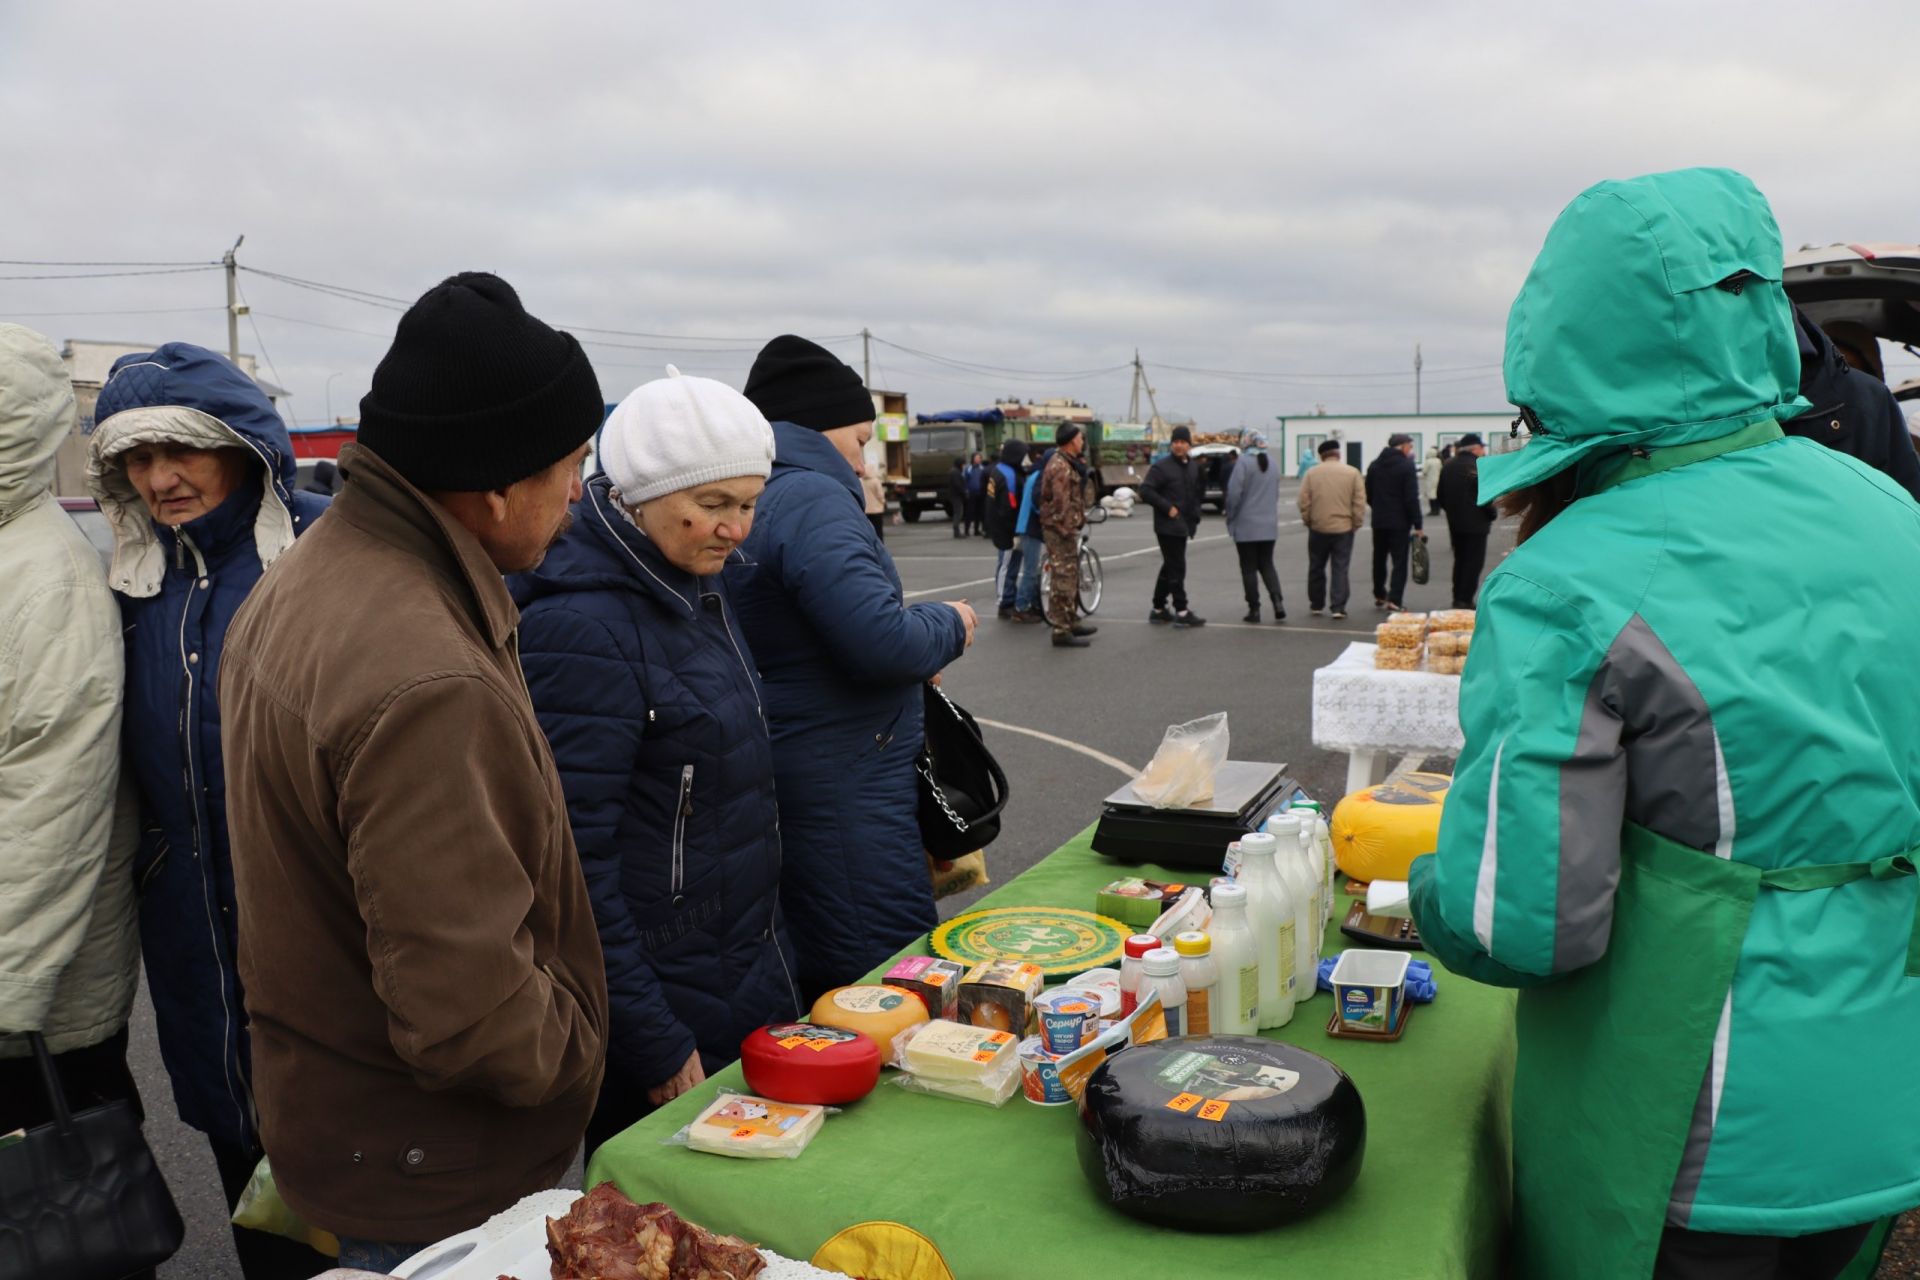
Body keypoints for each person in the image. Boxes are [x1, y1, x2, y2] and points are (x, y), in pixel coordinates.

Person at [1408, 167, 1920, 1280]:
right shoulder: (1891, 510)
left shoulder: (1568, 579)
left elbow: (1522, 922)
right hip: (1880, 1087)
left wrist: (1424, 885)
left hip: (1688, 1132)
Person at [219, 273, 608, 1270]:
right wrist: (576, 1049)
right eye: (571, 463)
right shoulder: (423, 670)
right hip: (433, 1166)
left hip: (348, 1121)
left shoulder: (313, 573)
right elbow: (467, 1009)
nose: (579, 489)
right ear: (492, 486)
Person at [84, 341, 333, 1280]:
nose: (160, 478)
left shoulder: (322, 552)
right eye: (137, 460)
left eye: (181, 450)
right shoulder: (135, 587)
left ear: (242, 446)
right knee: (250, 1186)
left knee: (362, 1190)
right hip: (189, 922)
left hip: (316, 920)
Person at [511, 369, 799, 1159]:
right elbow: (571, 865)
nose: (736, 529)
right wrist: (654, 1039)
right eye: (712, 505)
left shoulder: (694, 586)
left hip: (740, 973)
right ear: (639, 494)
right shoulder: (581, 629)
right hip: (665, 1006)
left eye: (747, 504)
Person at [734, 335, 974, 999]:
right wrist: (948, 623)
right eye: (862, 438)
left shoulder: (758, 491)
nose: (865, 456)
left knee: (822, 962)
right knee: (883, 978)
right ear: (819, 426)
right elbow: (878, 640)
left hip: (795, 763)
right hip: (847, 777)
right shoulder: (813, 497)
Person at [0, 324, 150, 1269]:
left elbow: (48, 814)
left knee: (68, 1225)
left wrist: (4, 996)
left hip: (31, 1006)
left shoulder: (43, 578)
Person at [1782, 305, 1920, 502]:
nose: (1846, 380)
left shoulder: (1877, 405)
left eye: (1851, 366)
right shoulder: (1786, 411)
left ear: (1875, 371)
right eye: (1838, 363)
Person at [1140, 425, 1206, 627]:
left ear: (1189, 445)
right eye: (1176, 442)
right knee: (1177, 567)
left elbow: (1196, 495)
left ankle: (1158, 608)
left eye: (1183, 442)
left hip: (1184, 525)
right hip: (1166, 526)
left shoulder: (1193, 467)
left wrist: (1195, 518)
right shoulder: (1162, 467)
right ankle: (1182, 610)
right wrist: (1167, 508)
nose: (1179, 446)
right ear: (1171, 444)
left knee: (1170, 566)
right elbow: (1146, 490)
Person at [1039, 423, 1097, 648]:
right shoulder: (1061, 466)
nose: (1082, 442)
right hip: (1059, 531)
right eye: (1080, 438)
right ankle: (1061, 630)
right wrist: (1067, 529)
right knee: (1062, 578)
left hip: (1064, 529)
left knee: (1071, 577)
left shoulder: (1066, 463)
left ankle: (1071, 620)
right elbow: (1060, 503)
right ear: (1072, 441)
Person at [1298, 438, 1365, 619]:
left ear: (1321, 456)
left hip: (1318, 527)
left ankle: (1316, 604)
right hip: (1343, 528)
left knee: (1316, 566)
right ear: (1338, 454)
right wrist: (1356, 523)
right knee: (1340, 567)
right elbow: (1359, 502)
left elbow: (1303, 501)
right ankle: (1338, 606)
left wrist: (1309, 520)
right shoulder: (1352, 473)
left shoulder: (1312, 473)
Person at [1224, 430, 1284, 623]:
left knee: (1249, 568)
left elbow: (1234, 494)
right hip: (1268, 525)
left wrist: (1230, 516)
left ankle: (1254, 608)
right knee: (1267, 564)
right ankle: (1277, 602)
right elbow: (1275, 495)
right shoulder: (1273, 464)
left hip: (1246, 525)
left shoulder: (1243, 463)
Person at [1364, 432, 1425, 610]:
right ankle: (1395, 599)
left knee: (1379, 558)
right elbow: (1411, 498)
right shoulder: (1406, 466)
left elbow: (1369, 493)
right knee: (1399, 561)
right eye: (1410, 446)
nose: (1410, 450)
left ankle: (1379, 593)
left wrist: (1379, 507)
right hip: (1399, 522)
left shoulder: (1374, 465)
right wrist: (1418, 524)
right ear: (1403, 446)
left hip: (1379, 520)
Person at [1436, 433, 1497, 608]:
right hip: (1477, 524)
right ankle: (1466, 598)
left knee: (1460, 560)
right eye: (1482, 447)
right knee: (1473, 563)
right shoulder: (1476, 466)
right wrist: (1492, 513)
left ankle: (1457, 596)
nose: (1484, 451)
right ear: (1475, 449)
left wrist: (1452, 511)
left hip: (1455, 523)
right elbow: (1484, 496)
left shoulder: (1448, 466)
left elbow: (1440, 495)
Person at [983, 439, 1029, 618]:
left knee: (1010, 564)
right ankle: (1004, 601)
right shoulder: (1009, 475)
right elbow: (1009, 507)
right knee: (1006, 565)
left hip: (1002, 526)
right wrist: (1015, 531)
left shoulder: (1000, 470)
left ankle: (1009, 596)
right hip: (1007, 530)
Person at [1011, 447, 1048, 622]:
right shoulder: (1039, 477)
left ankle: (1033, 604)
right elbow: (1036, 502)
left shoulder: (1033, 475)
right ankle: (1021, 607)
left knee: (1032, 569)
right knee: (1030, 570)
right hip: (1029, 528)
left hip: (1027, 527)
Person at [964, 450, 987, 536]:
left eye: (979, 458)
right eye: (976, 458)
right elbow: (965, 480)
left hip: (980, 493)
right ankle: (966, 530)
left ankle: (977, 530)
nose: (978, 459)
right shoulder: (968, 468)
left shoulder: (983, 468)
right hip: (971, 493)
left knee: (980, 512)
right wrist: (966, 490)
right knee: (969, 512)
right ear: (973, 459)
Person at [861, 467, 887, 541]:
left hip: (867, 510)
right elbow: (880, 495)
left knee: (869, 530)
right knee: (878, 530)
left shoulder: (861, 481)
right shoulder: (875, 481)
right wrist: (883, 501)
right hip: (877, 510)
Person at [1421, 445, 1443, 515]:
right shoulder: (1438, 460)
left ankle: (1433, 510)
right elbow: (1441, 469)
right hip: (1438, 479)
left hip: (1430, 480)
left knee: (1431, 495)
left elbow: (1424, 471)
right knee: (1436, 494)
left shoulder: (1428, 461)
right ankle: (1437, 509)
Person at [947, 458, 967, 538]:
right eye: (963, 464)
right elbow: (957, 485)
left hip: (954, 495)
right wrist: (964, 492)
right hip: (956, 496)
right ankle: (956, 531)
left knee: (958, 512)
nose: (964, 466)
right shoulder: (956, 472)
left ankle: (957, 530)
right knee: (958, 513)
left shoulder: (954, 471)